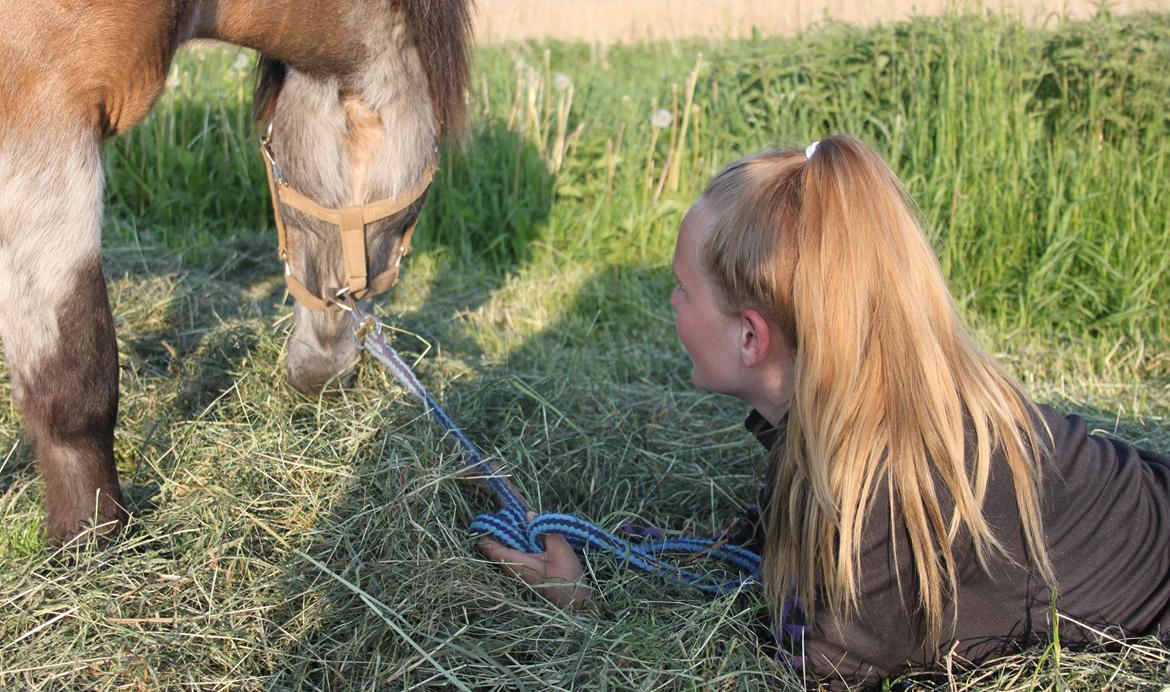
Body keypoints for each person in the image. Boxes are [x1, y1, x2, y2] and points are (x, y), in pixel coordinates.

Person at [478, 135, 1170, 688]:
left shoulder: (872, 515)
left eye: (681, 289)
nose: (671, 305)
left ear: (752, 338)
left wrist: (582, 611)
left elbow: (803, 671)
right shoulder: (869, 408)